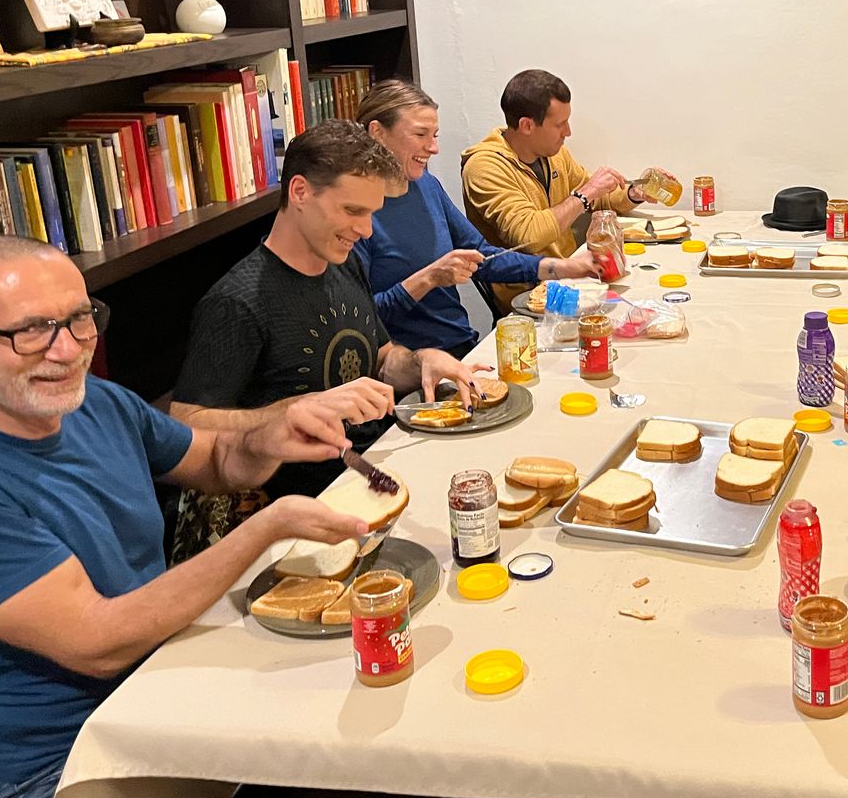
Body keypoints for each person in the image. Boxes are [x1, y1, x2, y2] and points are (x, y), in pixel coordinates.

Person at [0, 237, 367, 798]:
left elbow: (216, 462)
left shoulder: (95, 403)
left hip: (160, 695)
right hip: (63, 771)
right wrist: (266, 528)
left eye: (80, 319)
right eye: (32, 331)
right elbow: (98, 643)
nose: (67, 350)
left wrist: (269, 437)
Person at [171, 121, 484, 554]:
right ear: (300, 192)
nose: (367, 230)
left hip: (373, 476)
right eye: (352, 211)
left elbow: (380, 357)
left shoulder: (343, 263)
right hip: (297, 519)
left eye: (372, 213)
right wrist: (294, 411)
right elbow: (185, 423)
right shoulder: (237, 302)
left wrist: (421, 362)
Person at [355, 80, 598, 356]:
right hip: (411, 362)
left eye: (435, 135)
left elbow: (483, 256)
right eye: (421, 134)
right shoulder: (355, 214)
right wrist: (428, 279)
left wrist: (564, 268)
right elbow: (363, 318)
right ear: (377, 133)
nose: (433, 148)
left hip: (462, 346)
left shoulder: (427, 186)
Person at [460, 69, 673, 309]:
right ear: (527, 125)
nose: (568, 132)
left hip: (574, 278)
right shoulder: (484, 167)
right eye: (560, 124)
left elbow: (598, 198)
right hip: (530, 299)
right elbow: (528, 235)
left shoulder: (553, 153)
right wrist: (585, 194)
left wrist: (632, 193)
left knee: (652, 298)